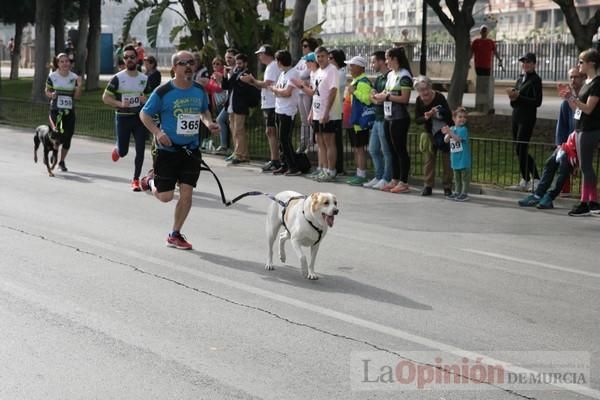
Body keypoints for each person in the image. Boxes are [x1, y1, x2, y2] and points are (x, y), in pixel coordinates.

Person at [139, 50, 219, 250]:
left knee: (186, 194)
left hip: (190, 150)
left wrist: (209, 123)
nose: (189, 66)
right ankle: (150, 181)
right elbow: (144, 115)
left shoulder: (199, 90)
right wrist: (158, 133)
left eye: (191, 62)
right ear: (175, 67)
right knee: (166, 197)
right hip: (168, 150)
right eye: (183, 63)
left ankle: (174, 234)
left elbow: (204, 111)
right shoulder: (163, 91)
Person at [102, 45, 151, 191]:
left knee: (141, 150)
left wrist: (145, 99)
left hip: (140, 119)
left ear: (137, 59)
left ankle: (135, 179)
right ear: (123, 60)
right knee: (124, 152)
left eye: (132, 57)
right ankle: (118, 149)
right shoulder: (117, 78)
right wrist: (119, 103)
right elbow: (105, 97)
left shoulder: (144, 79)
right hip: (123, 118)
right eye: (126, 57)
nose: (129, 59)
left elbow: (151, 97)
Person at [560, 48, 600, 216]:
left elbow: (589, 109)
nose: (579, 65)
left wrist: (574, 98)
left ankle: (587, 202)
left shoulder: (597, 83)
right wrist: (569, 97)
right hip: (581, 128)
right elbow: (578, 108)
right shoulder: (587, 82)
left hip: (590, 129)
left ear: (591, 63)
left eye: (582, 62)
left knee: (585, 166)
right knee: (585, 166)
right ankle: (592, 202)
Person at [372, 47, 413, 193]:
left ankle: (404, 181)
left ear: (395, 59)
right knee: (391, 149)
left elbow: (405, 98)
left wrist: (387, 97)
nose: (386, 61)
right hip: (388, 117)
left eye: (388, 58)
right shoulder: (391, 75)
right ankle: (394, 179)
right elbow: (385, 92)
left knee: (400, 149)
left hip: (399, 118)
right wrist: (377, 95)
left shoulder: (404, 75)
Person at [301, 46, 339, 182]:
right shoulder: (317, 72)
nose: (320, 59)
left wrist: (326, 111)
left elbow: (333, 91)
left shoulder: (332, 70)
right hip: (317, 112)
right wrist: (311, 112)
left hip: (328, 113)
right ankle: (322, 168)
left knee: (329, 142)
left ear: (327, 56)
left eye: (323, 56)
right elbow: (315, 93)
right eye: (318, 57)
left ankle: (331, 170)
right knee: (319, 142)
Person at [241, 45, 282, 172]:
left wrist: (252, 80)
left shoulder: (272, 66)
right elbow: (264, 86)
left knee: (271, 131)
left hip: (272, 103)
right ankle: (275, 158)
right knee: (270, 131)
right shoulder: (271, 66)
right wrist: (252, 82)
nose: (259, 57)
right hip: (269, 103)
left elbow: (266, 84)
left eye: (261, 54)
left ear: (266, 54)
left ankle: (276, 160)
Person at [507, 52, 542, 191]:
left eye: (528, 62)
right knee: (518, 149)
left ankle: (536, 178)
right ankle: (525, 179)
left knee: (522, 147)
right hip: (516, 115)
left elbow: (537, 102)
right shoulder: (520, 78)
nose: (525, 65)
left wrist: (519, 97)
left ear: (534, 64)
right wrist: (513, 98)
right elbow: (515, 99)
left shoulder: (536, 80)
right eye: (524, 62)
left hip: (527, 118)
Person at [413, 75, 453, 197]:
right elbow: (417, 119)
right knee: (429, 159)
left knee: (447, 159)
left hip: (444, 131)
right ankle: (428, 185)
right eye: (421, 90)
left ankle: (447, 187)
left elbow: (449, 115)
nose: (424, 92)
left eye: (426, 89)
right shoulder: (419, 100)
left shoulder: (439, 97)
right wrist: (425, 117)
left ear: (430, 87)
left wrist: (437, 114)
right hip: (429, 132)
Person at [518, 132, 578, 210]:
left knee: (563, 170)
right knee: (550, 163)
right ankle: (538, 195)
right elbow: (562, 128)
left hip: (576, 147)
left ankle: (550, 196)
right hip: (566, 144)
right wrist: (560, 144)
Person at [45, 53, 83, 172]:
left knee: (67, 137)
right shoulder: (53, 76)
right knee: (57, 134)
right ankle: (55, 154)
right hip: (56, 111)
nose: (65, 63)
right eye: (62, 61)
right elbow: (47, 91)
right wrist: (52, 95)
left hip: (69, 113)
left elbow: (77, 97)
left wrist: (80, 86)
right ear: (57, 63)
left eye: (67, 61)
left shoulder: (74, 77)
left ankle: (61, 161)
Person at [269, 50, 301, 175]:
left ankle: (293, 166)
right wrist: (277, 90)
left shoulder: (293, 74)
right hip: (279, 108)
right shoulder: (283, 74)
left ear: (280, 61)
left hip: (288, 110)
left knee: (285, 139)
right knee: (280, 139)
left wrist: (276, 90)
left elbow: (287, 92)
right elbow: (278, 90)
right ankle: (284, 164)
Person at [364, 51, 393, 191]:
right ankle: (379, 175)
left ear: (382, 62)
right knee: (373, 149)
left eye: (373, 61)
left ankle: (386, 178)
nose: (372, 64)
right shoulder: (379, 78)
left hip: (385, 117)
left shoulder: (389, 77)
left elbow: (381, 98)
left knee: (386, 150)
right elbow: (372, 96)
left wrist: (376, 98)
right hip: (377, 118)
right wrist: (376, 98)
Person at [220, 53, 255, 165]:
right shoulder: (236, 73)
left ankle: (240, 155)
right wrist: (225, 75)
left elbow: (241, 88)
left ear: (245, 63)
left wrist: (234, 75)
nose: (238, 65)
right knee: (234, 132)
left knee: (239, 131)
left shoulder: (247, 74)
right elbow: (226, 86)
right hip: (232, 106)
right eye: (237, 63)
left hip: (240, 107)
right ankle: (241, 154)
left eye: (240, 63)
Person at [555, 67, 586, 195]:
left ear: (583, 78)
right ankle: (563, 190)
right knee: (561, 163)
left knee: (585, 168)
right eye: (571, 77)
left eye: (576, 77)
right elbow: (561, 125)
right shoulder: (566, 103)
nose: (573, 80)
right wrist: (559, 143)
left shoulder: (587, 97)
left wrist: (571, 99)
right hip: (569, 142)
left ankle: (585, 195)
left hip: (584, 138)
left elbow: (580, 115)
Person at [344, 56, 372, 186]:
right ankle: (358, 173)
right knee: (356, 148)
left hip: (359, 122)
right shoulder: (355, 81)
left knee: (360, 148)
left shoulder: (363, 82)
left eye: (352, 65)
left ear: (360, 67)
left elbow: (367, 99)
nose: (350, 68)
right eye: (350, 65)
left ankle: (362, 174)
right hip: (353, 120)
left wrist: (354, 91)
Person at [294, 37, 319, 153]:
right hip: (299, 91)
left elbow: (304, 74)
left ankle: (310, 144)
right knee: (304, 120)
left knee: (310, 119)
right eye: (303, 46)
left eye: (305, 46)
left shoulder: (313, 57)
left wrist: (298, 76)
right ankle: (303, 143)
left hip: (307, 92)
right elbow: (294, 74)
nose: (303, 48)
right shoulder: (301, 60)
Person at [442, 107, 472, 202]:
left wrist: (450, 132)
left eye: (464, 117)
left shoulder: (464, 130)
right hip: (455, 158)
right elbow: (446, 140)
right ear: (454, 118)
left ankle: (464, 193)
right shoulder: (452, 128)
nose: (462, 119)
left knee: (464, 178)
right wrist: (447, 133)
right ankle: (457, 192)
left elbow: (458, 139)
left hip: (464, 159)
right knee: (457, 178)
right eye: (460, 117)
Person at [216, 48, 238, 156]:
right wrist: (223, 76)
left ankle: (229, 148)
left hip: (236, 103)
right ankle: (227, 147)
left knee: (235, 128)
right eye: (226, 58)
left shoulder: (237, 70)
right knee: (227, 124)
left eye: (230, 57)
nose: (228, 60)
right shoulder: (228, 70)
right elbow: (225, 86)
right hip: (229, 102)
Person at [328, 48, 347, 176]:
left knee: (337, 140)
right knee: (332, 139)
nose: (328, 61)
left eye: (330, 58)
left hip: (336, 109)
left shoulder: (340, 73)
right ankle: (334, 165)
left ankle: (339, 167)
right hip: (332, 109)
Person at [206, 56, 228, 152]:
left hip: (225, 102)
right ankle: (224, 145)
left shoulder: (223, 74)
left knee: (221, 121)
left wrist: (216, 80)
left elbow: (220, 88)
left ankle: (224, 146)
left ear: (222, 65)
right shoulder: (213, 75)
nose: (215, 65)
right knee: (222, 123)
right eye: (214, 63)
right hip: (217, 102)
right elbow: (211, 91)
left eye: (217, 63)